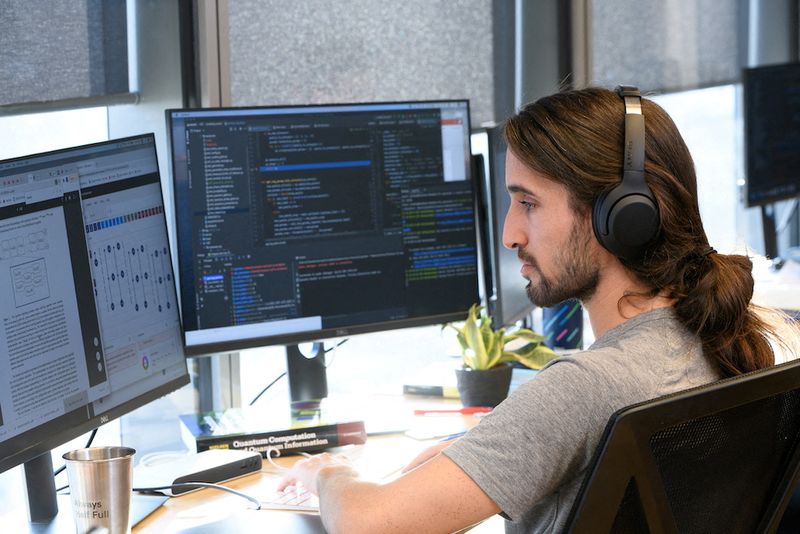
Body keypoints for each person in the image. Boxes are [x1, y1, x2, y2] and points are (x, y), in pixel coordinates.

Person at [278, 86, 798, 533]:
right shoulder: (734, 332)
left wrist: (330, 474)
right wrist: (484, 450)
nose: (509, 234)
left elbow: (367, 523)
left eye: (527, 203)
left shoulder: (590, 386)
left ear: (621, 217)